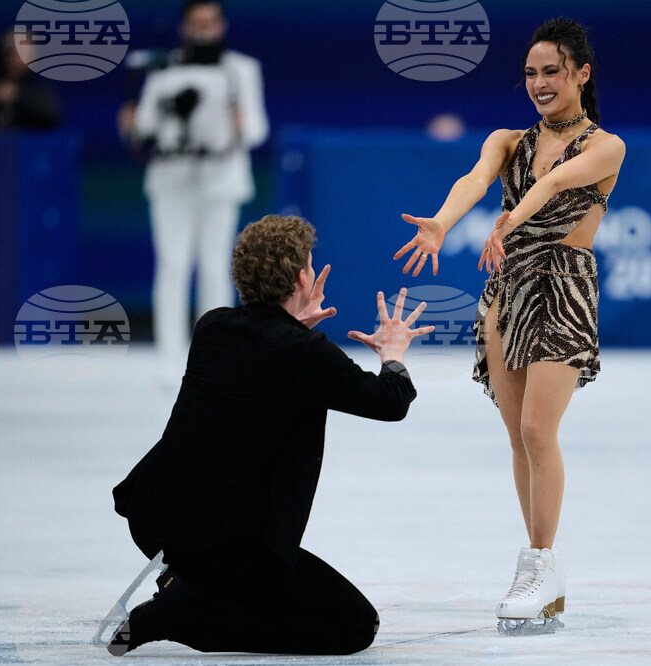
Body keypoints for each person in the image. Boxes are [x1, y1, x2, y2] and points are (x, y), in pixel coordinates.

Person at [106, 214, 435, 656]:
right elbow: (388, 402)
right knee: (355, 625)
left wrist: (297, 328)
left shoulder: (213, 327)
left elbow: (264, 363)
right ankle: (182, 612)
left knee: (246, 577)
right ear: (303, 277)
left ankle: (190, 584)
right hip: (229, 544)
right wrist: (393, 353)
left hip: (155, 517)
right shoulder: (304, 353)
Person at [392, 17, 625, 634]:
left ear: (582, 74)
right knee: (518, 438)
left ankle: (541, 563)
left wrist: (507, 222)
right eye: (531, 73)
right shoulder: (506, 139)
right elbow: (473, 180)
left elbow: (554, 184)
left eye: (553, 71)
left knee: (537, 429)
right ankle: (539, 572)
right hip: (505, 292)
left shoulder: (607, 146)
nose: (541, 83)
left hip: (563, 289)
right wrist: (443, 222)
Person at [118, 0, 269, 386]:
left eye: (210, 22)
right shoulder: (164, 67)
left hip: (221, 179)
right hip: (171, 178)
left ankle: (216, 356)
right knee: (173, 265)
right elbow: (146, 124)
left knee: (217, 268)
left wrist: (240, 123)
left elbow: (257, 130)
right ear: (184, 27)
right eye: (195, 23)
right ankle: (170, 361)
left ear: (221, 26)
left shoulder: (242, 69)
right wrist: (132, 124)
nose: (203, 30)